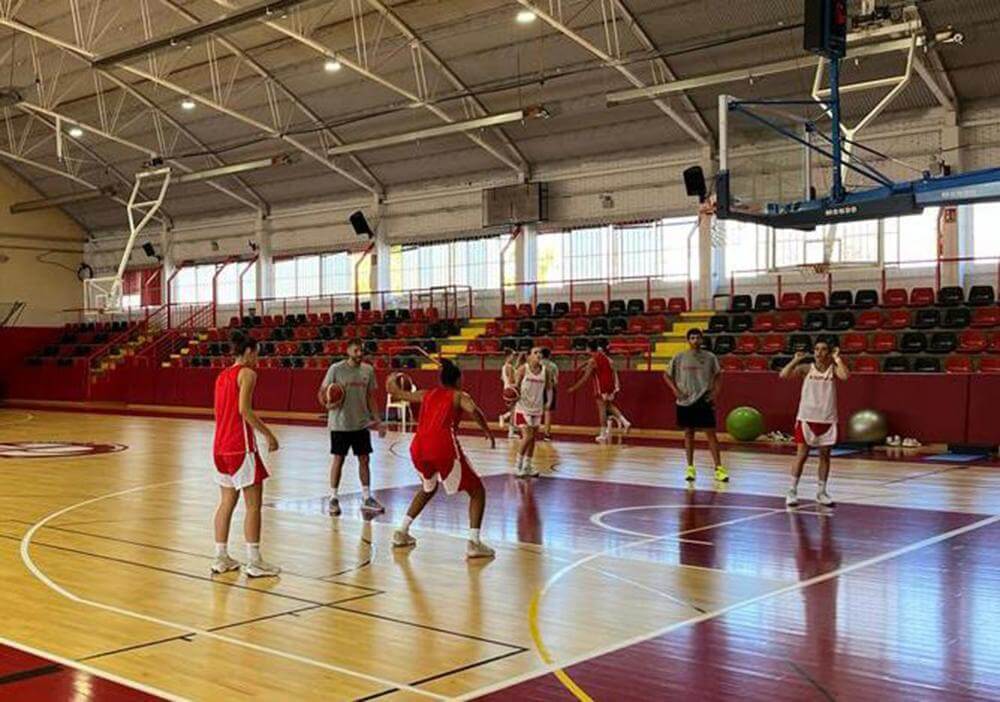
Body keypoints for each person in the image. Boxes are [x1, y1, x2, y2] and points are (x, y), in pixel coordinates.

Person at [387, 360, 496, 559]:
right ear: (457, 379)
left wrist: (392, 380)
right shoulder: (459, 395)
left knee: (428, 487)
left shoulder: (426, 394)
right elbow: (474, 410)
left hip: (418, 447)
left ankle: (401, 532)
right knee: (477, 491)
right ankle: (474, 543)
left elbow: (397, 394)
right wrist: (486, 430)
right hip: (441, 446)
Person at [211, 336, 281, 577]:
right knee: (254, 505)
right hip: (240, 446)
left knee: (226, 503)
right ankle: (255, 561)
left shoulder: (221, 376)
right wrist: (269, 435)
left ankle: (220, 557)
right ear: (249, 351)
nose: (258, 358)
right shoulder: (247, 374)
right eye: (257, 353)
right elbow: (244, 410)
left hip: (219, 448)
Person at [318, 338, 386, 516]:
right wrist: (327, 404)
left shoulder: (368, 370)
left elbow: (370, 397)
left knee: (364, 460)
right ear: (347, 351)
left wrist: (378, 421)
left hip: (361, 423)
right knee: (338, 460)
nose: (359, 353)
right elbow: (322, 392)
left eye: (361, 350)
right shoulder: (336, 369)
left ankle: (366, 497)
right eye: (356, 350)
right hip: (340, 424)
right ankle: (333, 498)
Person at [779, 339, 850, 507]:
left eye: (823, 349)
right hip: (806, 417)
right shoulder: (806, 369)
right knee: (801, 455)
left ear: (829, 352)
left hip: (827, 418)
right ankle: (792, 490)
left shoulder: (833, 370)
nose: (819, 352)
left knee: (825, 456)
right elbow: (783, 374)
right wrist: (796, 359)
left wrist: (838, 359)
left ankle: (821, 492)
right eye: (817, 349)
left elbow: (845, 376)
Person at [663, 328, 728, 483]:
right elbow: (666, 375)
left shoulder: (710, 357)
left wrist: (715, 392)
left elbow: (719, 375)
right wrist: (676, 391)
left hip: (703, 400)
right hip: (685, 401)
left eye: (698, 337)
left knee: (710, 433)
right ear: (688, 340)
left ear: (702, 340)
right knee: (688, 433)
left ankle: (719, 468)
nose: (695, 340)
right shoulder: (679, 357)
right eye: (692, 337)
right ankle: (690, 467)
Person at [567, 340, 631, 443]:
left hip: (601, 386)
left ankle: (603, 434)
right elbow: (593, 361)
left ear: (588, 349)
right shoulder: (602, 355)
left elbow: (585, 377)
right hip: (611, 385)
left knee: (602, 410)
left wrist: (574, 388)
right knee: (609, 406)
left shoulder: (593, 361)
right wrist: (581, 366)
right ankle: (625, 421)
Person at [512, 347, 552, 477]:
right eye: (535, 352)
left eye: (540, 352)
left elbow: (549, 388)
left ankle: (528, 466)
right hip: (523, 408)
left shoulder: (546, 371)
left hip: (537, 408)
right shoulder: (523, 369)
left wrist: (549, 402)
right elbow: (515, 387)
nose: (538, 354)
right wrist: (511, 396)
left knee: (533, 438)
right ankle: (517, 465)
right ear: (529, 356)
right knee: (527, 436)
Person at [498, 349, 519, 438]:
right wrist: (518, 385)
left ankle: (505, 417)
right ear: (508, 356)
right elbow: (511, 381)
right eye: (512, 356)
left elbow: (502, 378)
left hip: (506, 389)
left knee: (514, 410)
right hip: (511, 389)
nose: (513, 358)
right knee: (514, 411)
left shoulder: (504, 366)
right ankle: (510, 431)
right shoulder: (510, 367)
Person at [540, 347, 559, 440]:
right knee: (547, 412)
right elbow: (555, 381)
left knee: (533, 411)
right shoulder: (553, 366)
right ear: (549, 355)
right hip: (549, 389)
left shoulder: (537, 364)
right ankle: (547, 434)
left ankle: (529, 433)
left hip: (537, 388)